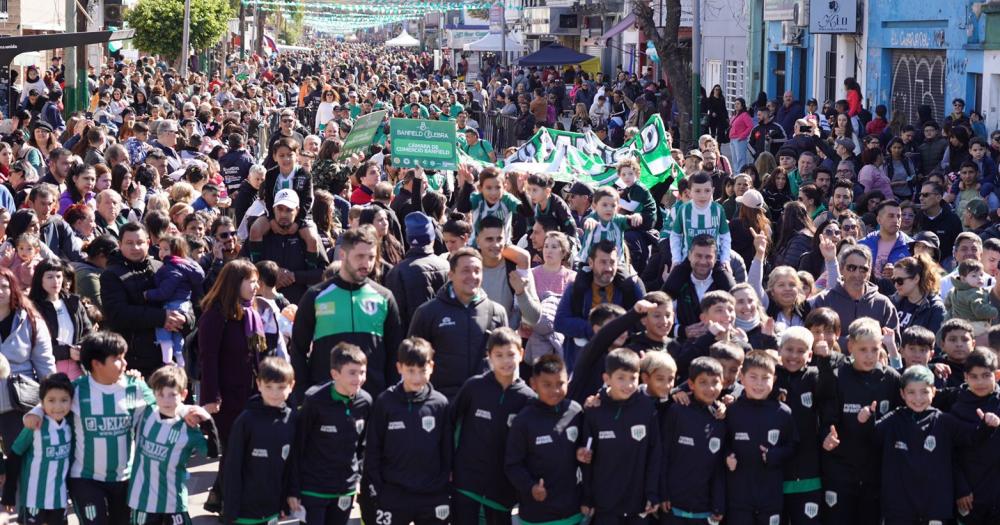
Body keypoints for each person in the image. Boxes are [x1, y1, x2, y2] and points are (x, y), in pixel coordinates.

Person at [869, 364, 999, 524]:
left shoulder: (944, 420)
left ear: (934, 392)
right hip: (900, 508)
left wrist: (986, 425)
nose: (918, 398)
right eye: (911, 392)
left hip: (936, 507)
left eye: (924, 391)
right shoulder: (893, 419)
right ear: (902, 394)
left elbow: (971, 438)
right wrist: (866, 419)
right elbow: (871, 437)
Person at [291, 226, 403, 401]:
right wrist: (302, 394)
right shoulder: (315, 296)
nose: (366, 264)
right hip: (325, 401)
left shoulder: (384, 297)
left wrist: (391, 397)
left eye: (371, 257)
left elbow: (394, 351)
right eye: (360, 256)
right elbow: (298, 349)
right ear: (342, 254)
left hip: (373, 401)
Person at [819, 318, 902, 525]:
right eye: (863, 349)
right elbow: (826, 417)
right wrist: (826, 436)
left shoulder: (890, 378)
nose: (869, 356)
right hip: (841, 469)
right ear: (850, 347)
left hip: (875, 470)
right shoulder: (838, 376)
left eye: (874, 349)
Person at [450, 328, 535, 523]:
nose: (505, 361)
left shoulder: (528, 399)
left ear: (521, 355)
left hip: (502, 490)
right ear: (489, 357)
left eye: (511, 354)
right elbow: (450, 424)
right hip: (466, 483)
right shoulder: (473, 387)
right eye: (499, 355)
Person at [365, 337, 452, 525]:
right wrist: (379, 488)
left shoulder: (440, 404)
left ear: (432, 367)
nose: (416, 378)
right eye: (410, 371)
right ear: (399, 368)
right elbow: (373, 448)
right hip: (394, 493)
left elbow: (447, 450)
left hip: (431, 494)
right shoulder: (385, 402)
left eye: (422, 371)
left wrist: (442, 484)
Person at [408, 247, 508, 399]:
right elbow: (412, 360)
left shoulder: (496, 312)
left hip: (483, 402)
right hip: (440, 402)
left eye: (477, 270)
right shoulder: (428, 312)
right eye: (465, 270)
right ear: (451, 275)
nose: (472, 276)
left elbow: (506, 361)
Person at [289, 342, 372, 525]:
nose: (358, 378)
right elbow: (297, 447)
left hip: (345, 489)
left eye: (362, 372)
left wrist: (358, 478)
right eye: (352, 373)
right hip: (313, 489)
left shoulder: (365, 402)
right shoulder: (314, 401)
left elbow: (363, 447)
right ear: (335, 374)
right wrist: (293, 490)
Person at [127, 366, 219, 525]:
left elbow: (212, 453)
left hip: (173, 502)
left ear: (183, 394)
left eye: (172, 395)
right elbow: (133, 382)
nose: (166, 400)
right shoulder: (147, 410)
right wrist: (132, 375)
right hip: (142, 500)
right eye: (161, 394)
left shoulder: (189, 426)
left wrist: (209, 422)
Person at [575, 348, 661, 521]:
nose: (628, 384)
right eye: (621, 378)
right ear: (607, 379)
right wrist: (587, 497)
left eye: (633, 378)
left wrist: (652, 492)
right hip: (605, 504)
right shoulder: (594, 410)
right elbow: (587, 459)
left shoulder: (646, 407)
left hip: (638, 504)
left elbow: (655, 452)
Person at [100, 222, 187, 380]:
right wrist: (162, 318)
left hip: (168, 357)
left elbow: (184, 298)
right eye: (129, 243)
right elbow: (118, 314)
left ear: (148, 243)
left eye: (140, 242)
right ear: (119, 245)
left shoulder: (161, 267)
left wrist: (185, 318)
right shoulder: (111, 275)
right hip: (134, 359)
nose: (135, 247)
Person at [504, 354, 584, 525]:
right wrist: (531, 487)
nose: (555, 390)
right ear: (533, 384)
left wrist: (583, 452)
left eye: (560, 384)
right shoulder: (524, 421)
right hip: (538, 515)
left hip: (574, 512)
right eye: (547, 385)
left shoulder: (576, 411)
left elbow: (587, 448)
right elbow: (512, 464)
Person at [222, 357, 297, 525]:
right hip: (244, 510)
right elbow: (232, 466)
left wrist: (286, 498)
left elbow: (292, 464)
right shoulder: (246, 421)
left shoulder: (292, 419)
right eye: (269, 387)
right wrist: (230, 509)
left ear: (291, 386)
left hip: (272, 508)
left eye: (281, 387)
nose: (275, 393)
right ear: (259, 384)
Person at [724, 351, 797, 525]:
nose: (759, 384)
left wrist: (775, 455)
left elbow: (793, 445)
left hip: (770, 496)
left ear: (774, 379)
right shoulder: (732, 411)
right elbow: (722, 442)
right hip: (738, 496)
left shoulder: (783, 412)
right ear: (741, 377)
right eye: (753, 377)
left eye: (765, 378)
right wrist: (727, 456)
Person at [0, 373, 74, 524]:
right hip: (33, 499)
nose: (58, 406)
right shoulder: (35, 425)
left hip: (58, 499)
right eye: (51, 400)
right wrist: (9, 491)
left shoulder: (71, 425)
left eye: (64, 400)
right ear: (42, 402)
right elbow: (14, 455)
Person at [810, 245, 900, 349]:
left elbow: (894, 342)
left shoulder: (883, 304)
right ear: (841, 269)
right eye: (851, 268)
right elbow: (813, 337)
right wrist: (855, 342)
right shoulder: (824, 300)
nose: (857, 274)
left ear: (870, 272)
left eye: (863, 269)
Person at [950, 349, 1000, 525]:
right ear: (965, 377)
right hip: (972, 495)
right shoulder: (958, 409)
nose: (980, 382)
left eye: (986, 375)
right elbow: (951, 454)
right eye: (974, 376)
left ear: (997, 375)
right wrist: (961, 488)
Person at [145, 235, 204, 367]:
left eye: (166, 249)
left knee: (163, 330)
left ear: (176, 251)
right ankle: (180, 359)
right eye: (160, 249)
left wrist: (148, 294)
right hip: (183, 305)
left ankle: (167, 360)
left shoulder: (171, 267)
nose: (161, 252)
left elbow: (165, 291)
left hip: (173, 304)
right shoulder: (183, 265)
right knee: (177, 334)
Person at [29, 258, 91, 380]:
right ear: (39, 279)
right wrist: (66, 352)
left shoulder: (73, 301)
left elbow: (88, 332)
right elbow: (33, 344)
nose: (55, 281)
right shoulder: (32, 307)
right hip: (48, 367)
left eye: (58, 276)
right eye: (49, 277)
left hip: (78, 366)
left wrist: (81, 348)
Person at [669, 172, 731, 269]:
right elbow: (675, 235)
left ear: (713, 191)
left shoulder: (718, 209)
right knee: (671, 283)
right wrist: (676, 259)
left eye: (707, 191)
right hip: (688, 260)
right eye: (697, 191)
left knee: (729, 283)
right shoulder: (684, 209)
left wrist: (725, 259)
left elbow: (725, 236)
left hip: (714, 260)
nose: (703, 195)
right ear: (689, 192)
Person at [891, 254, 946, 336]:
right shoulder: (893, 302)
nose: (896, 285)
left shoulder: (935, 308)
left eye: (900, 281)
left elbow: (935, 345)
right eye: (893, 280)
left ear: (916, 278)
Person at [945, 259, 998, 338]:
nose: (979, 278)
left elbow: (947, 304)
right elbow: (979, 311)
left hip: (958, 326)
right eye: (974, 276)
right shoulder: (975, 293)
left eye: (981, 275)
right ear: (963, 279)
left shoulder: (954, 290)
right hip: (975, 327)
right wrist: (994, 311)